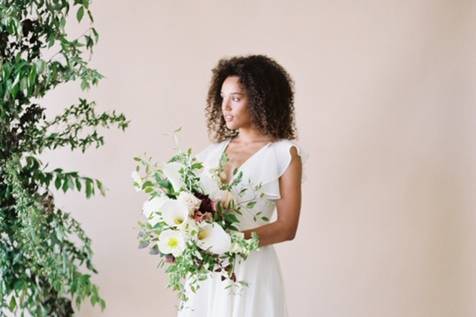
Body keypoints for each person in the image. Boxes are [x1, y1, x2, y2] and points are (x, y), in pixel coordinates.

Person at [178, 54, 303, 317]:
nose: (225, 107)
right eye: (222, 98)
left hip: (251, 268)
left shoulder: (283, 154)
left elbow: (287, 227)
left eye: (235, 98)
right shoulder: (209, 155)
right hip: (208, 270)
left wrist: (229, 241)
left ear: (260, 99)